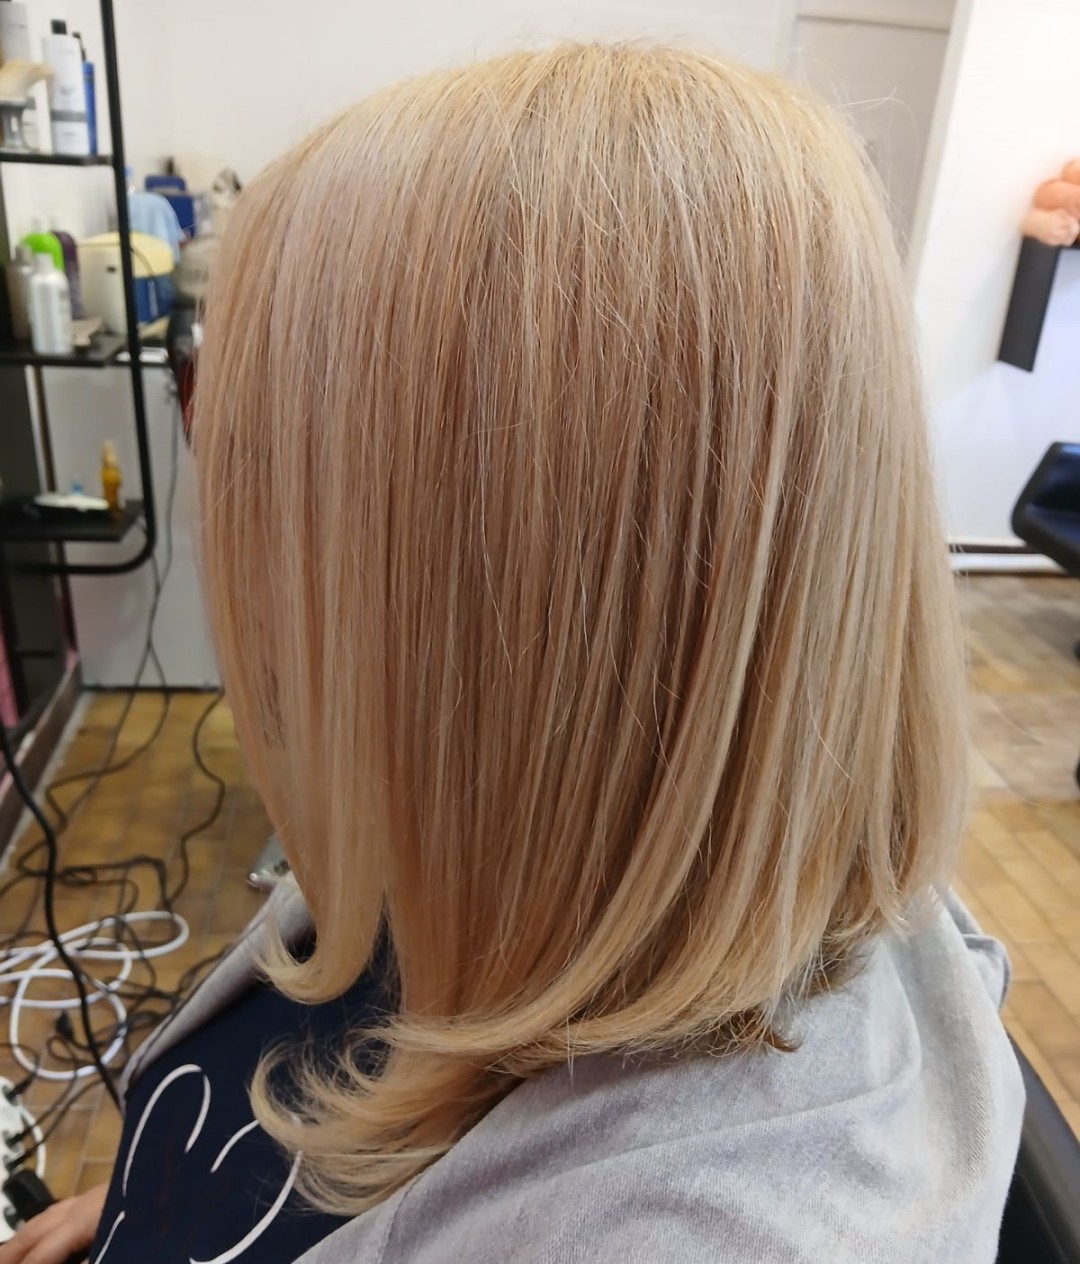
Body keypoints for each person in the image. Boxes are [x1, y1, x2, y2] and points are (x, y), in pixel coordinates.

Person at [0, 43, 1024, 1264]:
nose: (252, 563)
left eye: (264, 463)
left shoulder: (679, 1238)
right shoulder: (522, 837)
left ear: (480, 593)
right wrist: (143, 1206)